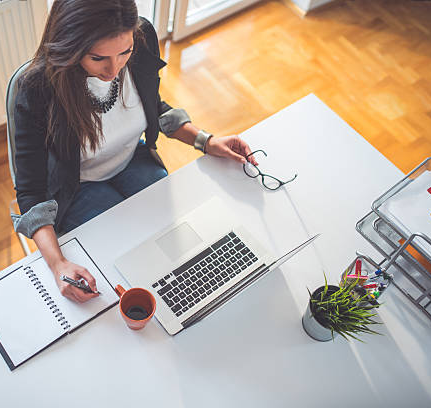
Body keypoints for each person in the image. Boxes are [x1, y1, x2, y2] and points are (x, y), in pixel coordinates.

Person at [13, 0, 255, 303]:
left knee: (175, 244)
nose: (114, 70)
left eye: (124, 53)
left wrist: (205, 141)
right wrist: (57, 264)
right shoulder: (37, 88)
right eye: (98, 57)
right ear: (71, 46)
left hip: (132, 159)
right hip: (76, 186)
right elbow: (31, 192)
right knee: (123, 266)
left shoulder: (142, 38)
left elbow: (152, 106)